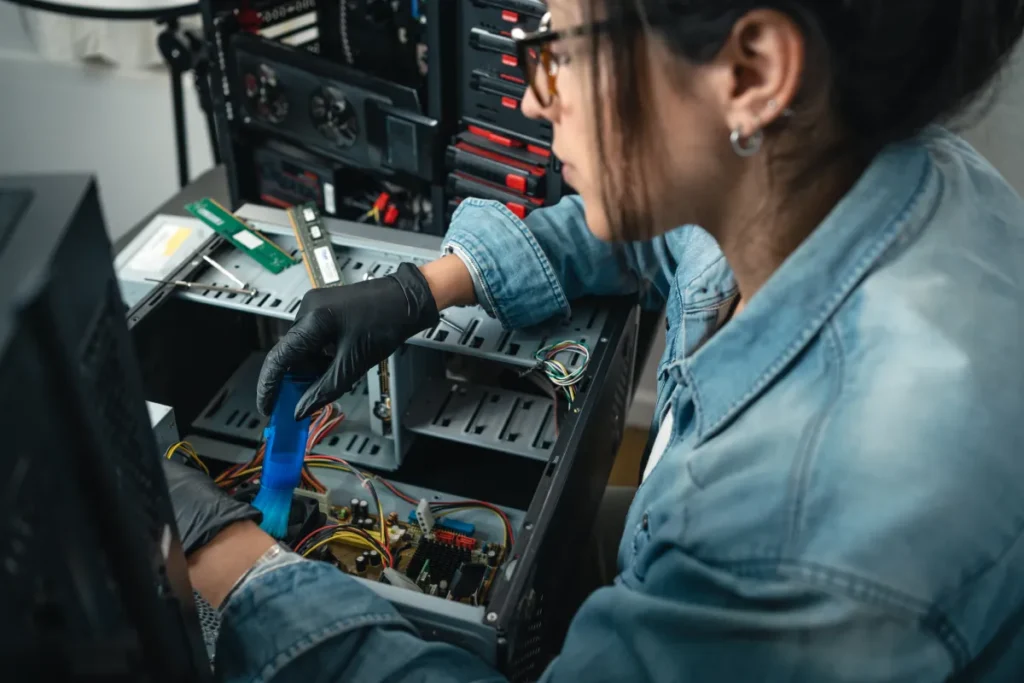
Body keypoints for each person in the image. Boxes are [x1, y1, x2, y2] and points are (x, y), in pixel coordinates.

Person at [164, 0, 1024, 679]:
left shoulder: (805, 529)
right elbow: (654, 226)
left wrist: (226, 556)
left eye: (565, 48)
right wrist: (423, 287)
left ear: (752, 71)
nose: (536, 98)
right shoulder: (875, 171)